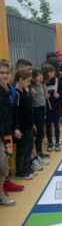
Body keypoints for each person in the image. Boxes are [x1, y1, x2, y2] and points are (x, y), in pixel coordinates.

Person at [0, 60, 17, 205]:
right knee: (2, 163)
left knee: (5, 161)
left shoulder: (9, 90)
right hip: (2, 133)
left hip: (7, 132)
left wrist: (9, 133)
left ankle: (2, 191)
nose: (4, 75)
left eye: (6, 73)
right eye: (1, 73)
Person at [14, 69, 36, 180]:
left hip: (29, 125)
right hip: (21, 127)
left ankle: (27, 166)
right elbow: (16, 112)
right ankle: (20, 170)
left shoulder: (25, 91)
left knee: (29, 146)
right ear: (20, 80)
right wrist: (17, 127)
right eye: (27, 81)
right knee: (22, 149)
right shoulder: (16, 93)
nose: (29, 84)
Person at [42, 63, 62, 152]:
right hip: (46, 108)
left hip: (56, 107)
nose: (53, 73)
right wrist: (43, 96)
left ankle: (57, 143)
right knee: (48, 125)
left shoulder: (58, 82)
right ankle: (50, 143)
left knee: (56, 124)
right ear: (45, 73)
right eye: (50, 71)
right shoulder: (42, 83)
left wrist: (59, 95)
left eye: (53, 71)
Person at [31, 68, 49, 163]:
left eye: (40, 74)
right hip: (36, 109)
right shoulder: (32, 86)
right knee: (40, 131)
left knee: (42, 131)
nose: (40, 76)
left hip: (42, 108)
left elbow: (44, 97)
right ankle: (37, 151)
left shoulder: (41, 85)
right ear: (33, 78)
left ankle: (40, 151)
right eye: (38, 75)